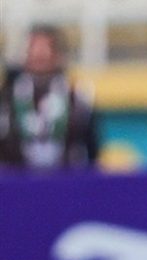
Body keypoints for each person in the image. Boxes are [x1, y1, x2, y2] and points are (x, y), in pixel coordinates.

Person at [0, 24, 99, 169]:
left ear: (59, 55)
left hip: (66, 178)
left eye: (45, 50)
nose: (39, 56)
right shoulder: (7, 96)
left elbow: (91, 148)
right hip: (17, 178)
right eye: (34, 50)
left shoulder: (77, 96)